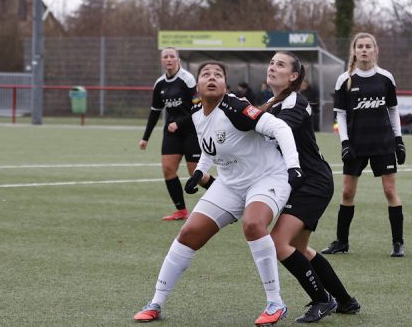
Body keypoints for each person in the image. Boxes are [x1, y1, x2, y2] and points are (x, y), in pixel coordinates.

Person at [133, 61, 304, 325]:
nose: (211, 78)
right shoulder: (198, 112)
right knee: (188, 234)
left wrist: (293, 166)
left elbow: (280, 128)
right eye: (206, 74)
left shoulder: (235, 107)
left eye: (218, 75)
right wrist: (199, 172)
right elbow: (209, 146)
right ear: (197, 85)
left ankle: (275, 302)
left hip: (268, 177)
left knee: (253, 223)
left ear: (225, 84)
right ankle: (155, 302)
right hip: (230, 184)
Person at [263, 51, 360, 321]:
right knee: (300, 249)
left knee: (278, 242)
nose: (272, 67)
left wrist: (245, 115)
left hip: (312, 181)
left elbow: (276, 129)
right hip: (299, 182)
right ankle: (345, 301)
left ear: (293, 76)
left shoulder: (295, 101)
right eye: (271, 63)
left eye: (280, 64)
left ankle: (321, 300)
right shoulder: (271, 103)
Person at [321, 32, 407, 257]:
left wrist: (398, 140)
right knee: (347, 193)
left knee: (390, 191)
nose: (364, 50)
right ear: (354, 50)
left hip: (383, 143)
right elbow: (340, 115)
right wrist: (345, 143)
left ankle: (398, 242)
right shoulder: (345, 79)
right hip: (356, 145)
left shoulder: (386, 78)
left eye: (369, 46)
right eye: (360, 46)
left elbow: (393, 110)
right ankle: (341, 242)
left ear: (375, 50)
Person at [138, 47, 201, 221]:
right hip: (172, 134)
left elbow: (198, 107)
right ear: (162, 61)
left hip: (191, 131)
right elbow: (154, 112)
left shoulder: (187, 79)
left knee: (197, 174)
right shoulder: (159, 84)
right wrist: (145, 138)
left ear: (178, 60)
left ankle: (229, 202)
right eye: (165, 57)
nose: (169, 59)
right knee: (168, 169)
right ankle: (181, 211)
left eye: (172, 56)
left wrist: (179, 123)